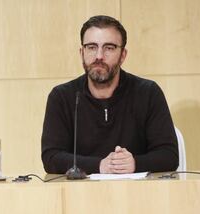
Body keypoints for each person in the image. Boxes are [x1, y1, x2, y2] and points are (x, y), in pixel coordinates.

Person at [41, 15, 178, 175]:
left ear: (123, 55)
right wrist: (100, 166)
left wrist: (135, 163)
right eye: (91, 47)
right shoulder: (62, 97)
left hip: (138, 195)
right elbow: (51, 157)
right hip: (79, 196)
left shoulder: (148, 93)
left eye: (109, 48)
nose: (99, 56)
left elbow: (169, 156)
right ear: (81, 52)